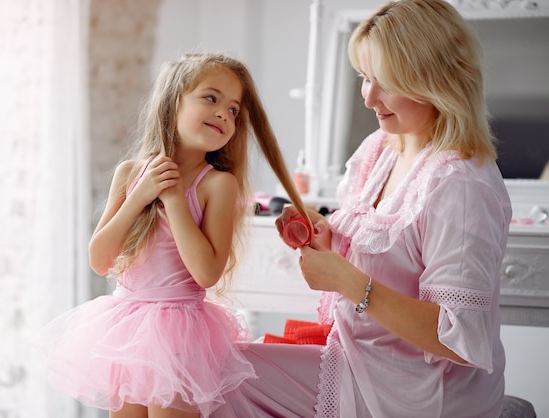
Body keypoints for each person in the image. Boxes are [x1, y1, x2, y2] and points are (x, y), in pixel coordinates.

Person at [211, 0, 512, 417]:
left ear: (437, 80)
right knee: (204, 371)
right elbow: (386, 250)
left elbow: (458, 340)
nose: (369, 98)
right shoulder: (382, 149)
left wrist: (353, 284)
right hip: (359, 356)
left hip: (419, 392)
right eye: (364, 77)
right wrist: (326, 234)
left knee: (215, 382)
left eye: (385, 82)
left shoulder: (460, 186)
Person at [33, 52, 310, 418]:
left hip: (179, 334)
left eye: (233, 110)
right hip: (126, 331)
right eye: (211, 98)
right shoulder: (130, 173)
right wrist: (139, 197)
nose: (224, 115)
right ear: (173, 100)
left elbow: (207, 273)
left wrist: (175, 199)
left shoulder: (217, 185)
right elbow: (100, 260)